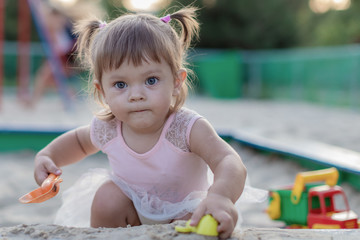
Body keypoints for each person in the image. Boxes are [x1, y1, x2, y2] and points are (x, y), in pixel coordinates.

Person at [33, 7, 247, 239]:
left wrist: (221, 196)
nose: (136, 95)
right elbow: (78, 142)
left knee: (197, 217)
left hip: (183, 212)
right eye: (120, 85)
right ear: (102, 90)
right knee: (107, 197)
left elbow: (228, 160)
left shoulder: (186, 128)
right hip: (132, 209)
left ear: (176, 81)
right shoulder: (108, 128)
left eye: (151, 80)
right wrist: (48, 157)